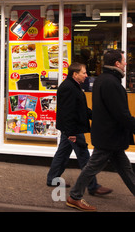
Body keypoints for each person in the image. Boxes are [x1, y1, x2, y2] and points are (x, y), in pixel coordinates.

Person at [66, 49, 135, 211]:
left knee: (126, 170)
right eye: (124, 61)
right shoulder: (111, 83)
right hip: (109, 136)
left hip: (109, 136)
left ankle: (74, 196)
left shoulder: (103, 79)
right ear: (117, 63)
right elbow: (121, 114)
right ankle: (74, 196)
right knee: (92, 167)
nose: (126, 64)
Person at [47, 62, 112, 197]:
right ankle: (93, 186)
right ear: (75, 74)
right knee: (85, 157)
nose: (86, 75)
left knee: (62, 153)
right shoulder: (68, 88)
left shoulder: (74, 86)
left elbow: (82, 109)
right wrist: (70, 133)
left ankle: (52, 179)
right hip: (73, 130)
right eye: (84, 73)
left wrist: (98, 117)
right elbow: (67, 113)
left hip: (70, 129)